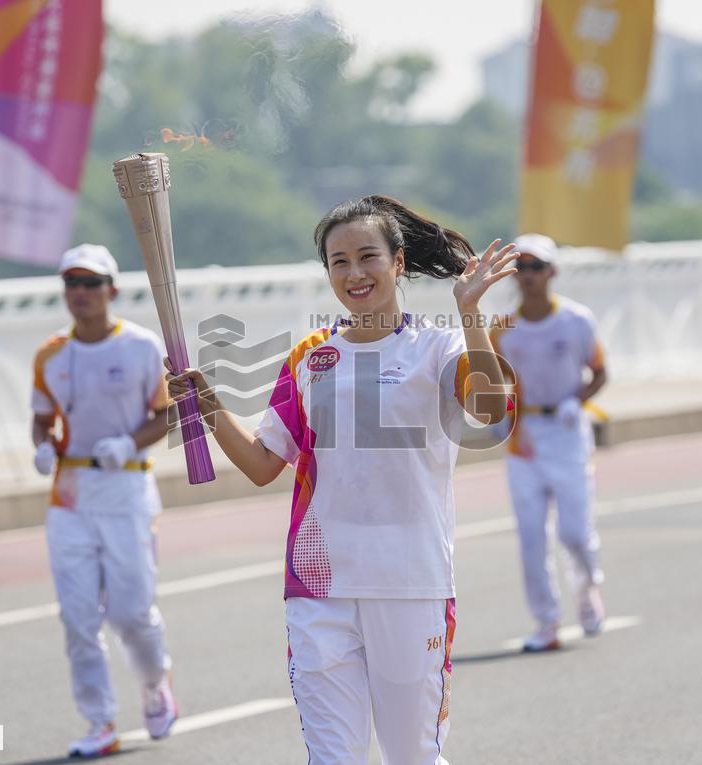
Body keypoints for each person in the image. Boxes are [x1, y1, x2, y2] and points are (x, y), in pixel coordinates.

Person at [167, 195, 515, 765]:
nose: (355, 274)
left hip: (409, 582)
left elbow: (490, 411)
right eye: (339, 262)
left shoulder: (439, 346)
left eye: (367, 257)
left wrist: (469, 313)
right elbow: (262, 464)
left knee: (411, 757)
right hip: (318, 587)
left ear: (398, 262)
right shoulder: (309, 356)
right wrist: (207, 405)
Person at [30, 243, 179, 758]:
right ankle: (100, 722)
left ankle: (155, 683)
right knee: (77, 619)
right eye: (72, 283)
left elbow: (167, 413)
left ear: (111, 290)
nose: (81, 292)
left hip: (127, 491)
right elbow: (41, 417)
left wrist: (129, 443)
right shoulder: (50, 354)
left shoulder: (140, 347)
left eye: (91, 283)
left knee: (131, 613)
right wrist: (42, 445)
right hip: (70, 497)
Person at [488, 233, 608, 652]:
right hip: (525, 440)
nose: (528, 275)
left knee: (574, 533)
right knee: (531, 538)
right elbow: (493, 381)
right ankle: (547, 621)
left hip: (568, 433)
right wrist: (499, 416)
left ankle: (588, 588)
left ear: (551, 272)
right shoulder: (502, 328)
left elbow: (600, 371)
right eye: (520, 267)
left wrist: (577, 401)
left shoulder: (576, 320)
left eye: (536, 267)